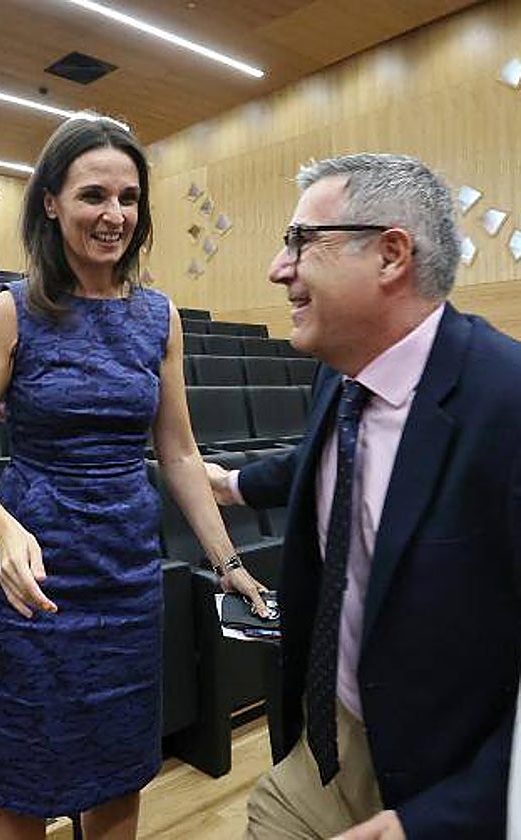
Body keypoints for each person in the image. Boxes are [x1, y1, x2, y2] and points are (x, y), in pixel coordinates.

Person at [0, 114, 268, 840]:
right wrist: (4, 531)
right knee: (24, 786)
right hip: (33, 580)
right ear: (51, 203)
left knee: (119, 775)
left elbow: (180, 454)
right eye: (93, 195)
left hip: (126, 577)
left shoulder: (159, 316)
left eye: (128, 197)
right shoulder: (12, 311)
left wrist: (229, 563)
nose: (114, 214)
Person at [204, 153, 521, 839]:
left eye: (300, 241)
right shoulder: (343, 370)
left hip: (450, 780)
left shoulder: (508, 402)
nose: (278, 268)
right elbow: (327, 460)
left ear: (390, 255)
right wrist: (232, 484)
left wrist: (438, 820)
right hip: (330, 740)